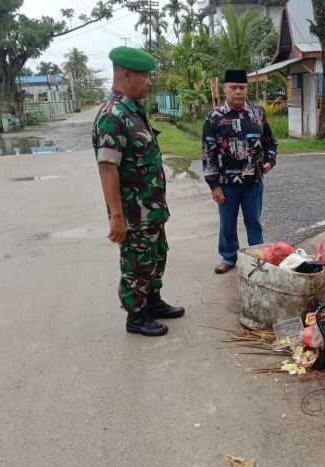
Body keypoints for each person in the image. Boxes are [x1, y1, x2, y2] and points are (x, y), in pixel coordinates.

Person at [92, 47, 184, 336]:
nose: (148, 82)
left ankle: (153, 302)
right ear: (126, 74)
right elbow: (108, 168)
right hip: (133, 213)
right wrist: (116, 216)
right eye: (144, 76)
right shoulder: (113, 115)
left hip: (151, 208)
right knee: (136, 264)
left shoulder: (133, 110)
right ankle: (136, 316)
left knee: (156, 256)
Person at [202, 69, 278, 274]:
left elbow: (270, 142)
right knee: (227, 223)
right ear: (225, 89)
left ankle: (258, 257)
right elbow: (208, 152)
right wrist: (213, 185)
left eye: (242, 87)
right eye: (233, 87)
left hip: (253, 181)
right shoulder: (214, 117)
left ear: (247, 89)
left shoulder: (257, 113)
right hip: (226, 183)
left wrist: (270, 161)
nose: (237, 91)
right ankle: (229, 257)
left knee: (254, 221)